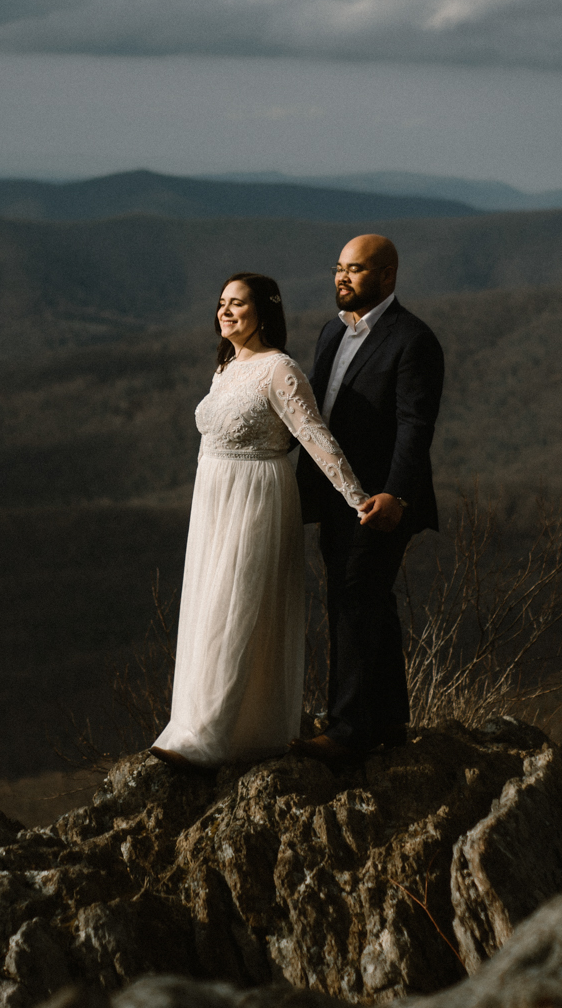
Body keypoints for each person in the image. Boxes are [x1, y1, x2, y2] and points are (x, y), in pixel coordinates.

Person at [150, 272, 387, 768]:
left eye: (238, 304)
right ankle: (198, 724)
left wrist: (355, 496)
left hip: (257, 497)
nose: (226, 312)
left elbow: (315, 436)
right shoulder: (227, 366)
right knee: (208, 603)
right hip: (213, 499)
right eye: (221, 303)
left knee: (235, 607)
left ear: (265, 312)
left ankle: (211, 736)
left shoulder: (280, 370)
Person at [291, 235, 444, 765]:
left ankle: (348, 729)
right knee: (369, 601)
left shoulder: (413, 339)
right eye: (338, 268)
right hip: (335, 495)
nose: (342, 278)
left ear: (387, 276)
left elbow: (414, 425)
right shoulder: (331, 332)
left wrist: (396, 494)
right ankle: (388, 722)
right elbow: (310, 407)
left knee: (354, 599)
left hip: (381, 499)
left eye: (355, 270)